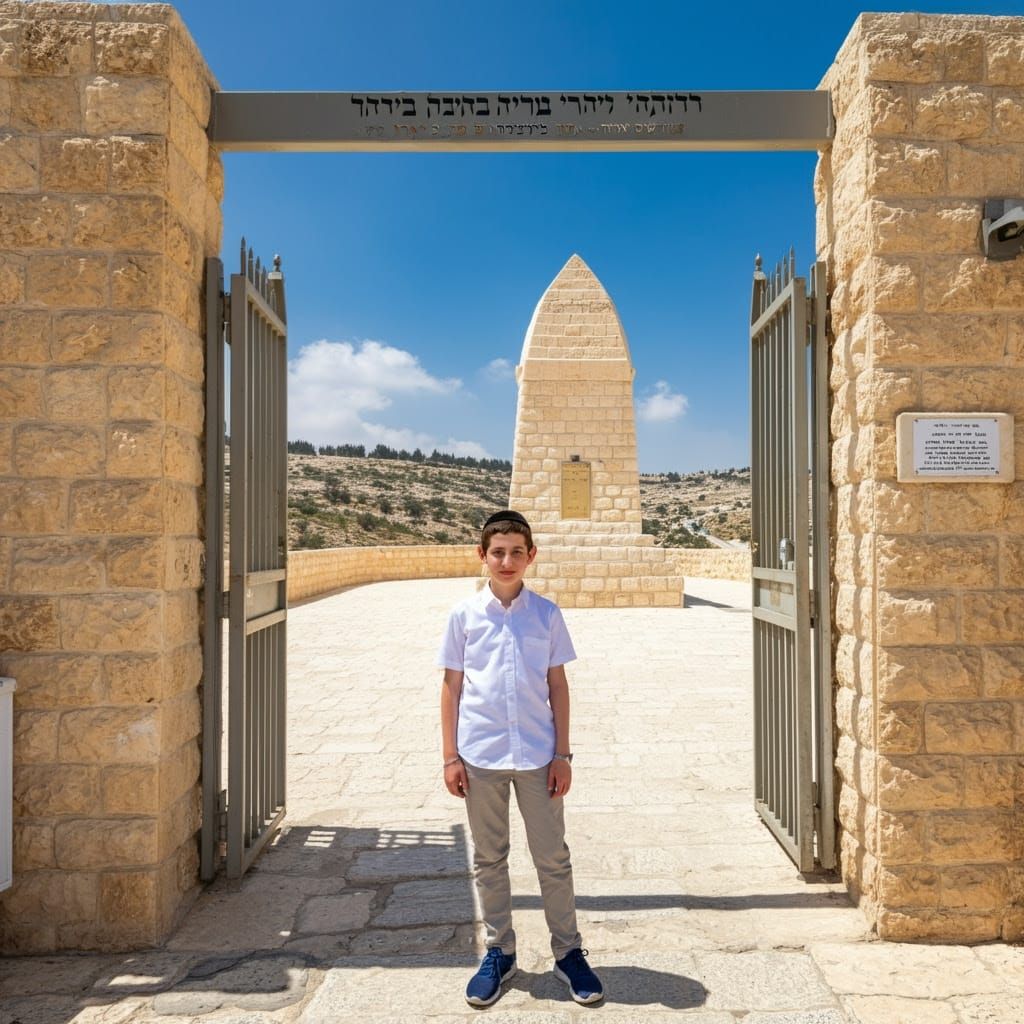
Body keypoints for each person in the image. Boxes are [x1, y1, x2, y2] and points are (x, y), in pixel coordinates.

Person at [437, 509, 604, 1008]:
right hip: (481, 754)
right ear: (482, 555)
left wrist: (563, 753)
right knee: (489, 859)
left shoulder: (546, 614)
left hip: (536, 754)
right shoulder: (463, 617)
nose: (506, 561)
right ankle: (499, 953)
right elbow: (451, 688)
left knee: (553, 857)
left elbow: (558, 685)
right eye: (497, 552)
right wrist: (451, 757)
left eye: (516, 552)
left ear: (531, 556)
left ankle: (568, 952)